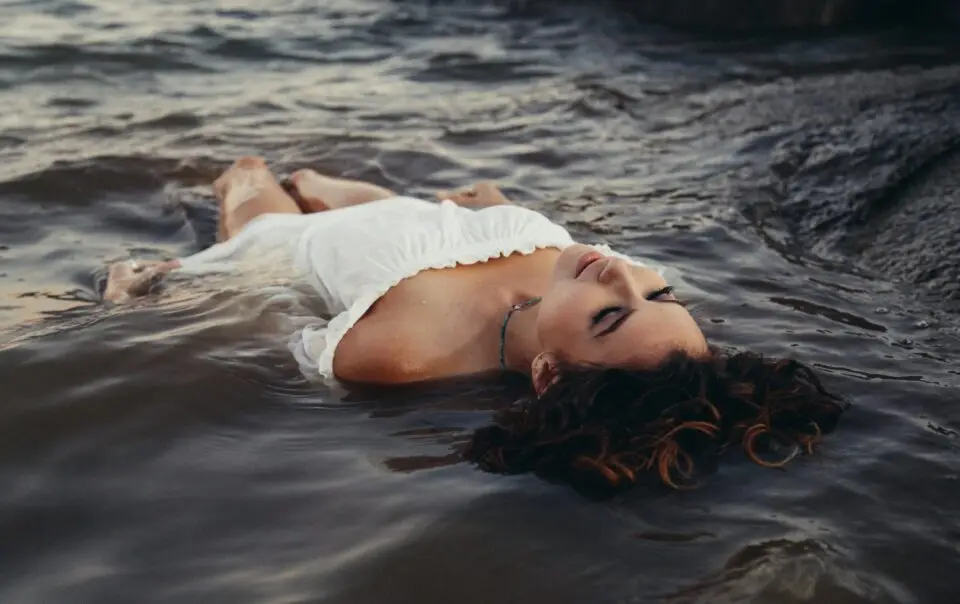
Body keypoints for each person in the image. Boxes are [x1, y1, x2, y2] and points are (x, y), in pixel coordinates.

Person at [105, 156, 847, 494]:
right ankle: (320, 188)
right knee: (317, 181)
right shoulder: (608, 274)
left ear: (549, 374)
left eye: (612, 314)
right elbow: (592, 268)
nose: (625, 276)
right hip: (412, 212)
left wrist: (153, 296)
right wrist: (497, 204)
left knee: (252, 172)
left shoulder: (402, 356)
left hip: (292, 250)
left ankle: (284, 193)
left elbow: (266, 310)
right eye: (663, 295)